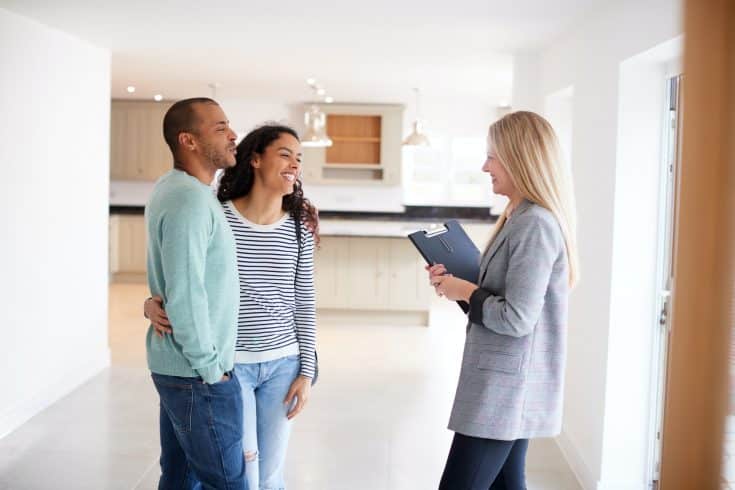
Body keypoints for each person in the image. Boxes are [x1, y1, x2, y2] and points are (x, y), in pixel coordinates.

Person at [146, 124, 318, 490]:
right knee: (244, 475)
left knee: (271, 476)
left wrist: (308, 370)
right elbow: (184, 276)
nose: (295, 165)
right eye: (285, 154)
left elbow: (304, 299)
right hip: (230, 365)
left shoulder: (300, 225)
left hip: (283, 365)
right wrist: (151, 302)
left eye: (299, 158)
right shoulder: (217, 214)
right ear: (255, 159)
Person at [428, 111, 579, 490]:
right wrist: (456, 287)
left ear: (519, 158)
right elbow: (499, 304)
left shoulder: (534, 224)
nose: (484, 167)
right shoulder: (520, 217)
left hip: (504, 390)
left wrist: (464, 290)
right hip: (505, 385)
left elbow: (516, 318)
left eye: (492, 156)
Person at [145, 97, 246, 489]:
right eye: (220, 128)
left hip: (181, 368)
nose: (232, 134)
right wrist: (211, 370)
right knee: (227, 481)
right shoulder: (189, 199)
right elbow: (186, 292)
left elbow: (174, 277)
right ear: (187, 140)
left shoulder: (180, 189)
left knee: (181, 477)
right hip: (196, 373)